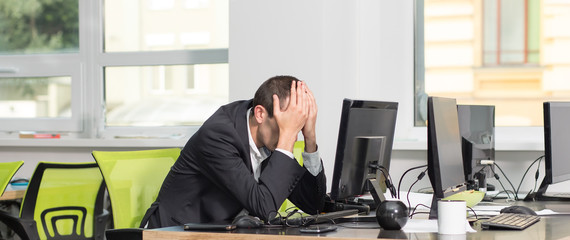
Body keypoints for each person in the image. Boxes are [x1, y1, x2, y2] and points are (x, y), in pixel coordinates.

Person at [141, 75, 327, 228]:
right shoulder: (218, 136)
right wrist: (286, 136)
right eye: (287, 125)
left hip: (224, 232)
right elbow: (265, 208)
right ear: (260, 114)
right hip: (176, 232)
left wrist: (310, 138)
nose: (292, 134)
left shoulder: (268, 137)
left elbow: (313, 205)